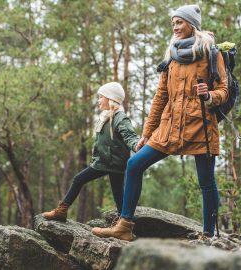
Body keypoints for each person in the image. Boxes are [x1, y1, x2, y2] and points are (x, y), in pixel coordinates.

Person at [92, 4, 228, 241]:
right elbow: (160, 98)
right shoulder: (171, 57)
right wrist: (147, 133)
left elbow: (223, 90)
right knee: (135, 164)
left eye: (180, 22)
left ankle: (207, 235)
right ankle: (125, 226)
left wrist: (209, 96)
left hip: (200, 126)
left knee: (206, 182)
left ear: (191, 24)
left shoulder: (211, 53)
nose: (175, 27)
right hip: (169, 128)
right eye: (173, 22)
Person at [42, 82, 140, 222]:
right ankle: (124, 221)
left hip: (111, 162)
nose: (98, 100)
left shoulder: (120, 118)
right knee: (118, 194)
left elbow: (130, 136)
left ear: (111, 98)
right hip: (106, 161)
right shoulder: (106, 117)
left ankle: (61, 211)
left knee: (79, 179)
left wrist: (136, 145)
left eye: (101, 97)